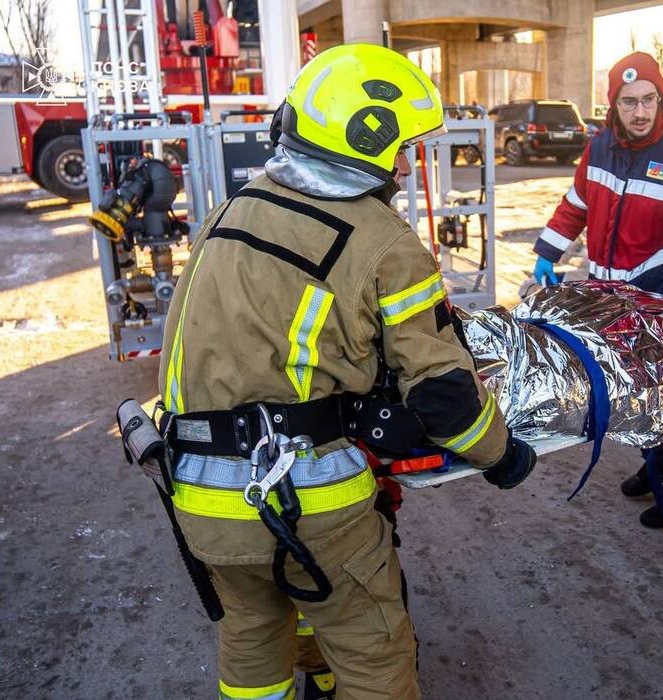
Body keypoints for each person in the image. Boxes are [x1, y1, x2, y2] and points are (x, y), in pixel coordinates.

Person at [158, 44, 536, 700]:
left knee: (253, 635)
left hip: (199, 497)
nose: (401, 167)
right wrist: (502, 456)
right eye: (398, 150)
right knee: (375, 653)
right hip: (312, 503)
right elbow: (443, 394)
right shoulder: (384, 242)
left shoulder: (226, 215)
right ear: (368, 143)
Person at [532, 52, 663, 528]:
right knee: (638, 390)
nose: (640, 113)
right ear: (612, 104)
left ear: (660, 99)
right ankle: (655, 465)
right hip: (611, 298)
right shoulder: (600, 146)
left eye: (648, 100)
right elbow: (577, 203)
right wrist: (548, 251)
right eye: (628, 102)